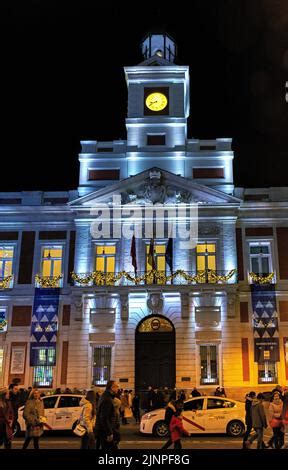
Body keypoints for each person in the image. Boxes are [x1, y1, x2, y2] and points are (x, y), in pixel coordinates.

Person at [95, 380, 119, 450]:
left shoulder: (106, 396)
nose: (118, 388)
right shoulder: (107, 399)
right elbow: (104, 417)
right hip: (105, 432)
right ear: (112, 387)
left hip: (104, 430)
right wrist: (109, 433)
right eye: (117, 386)